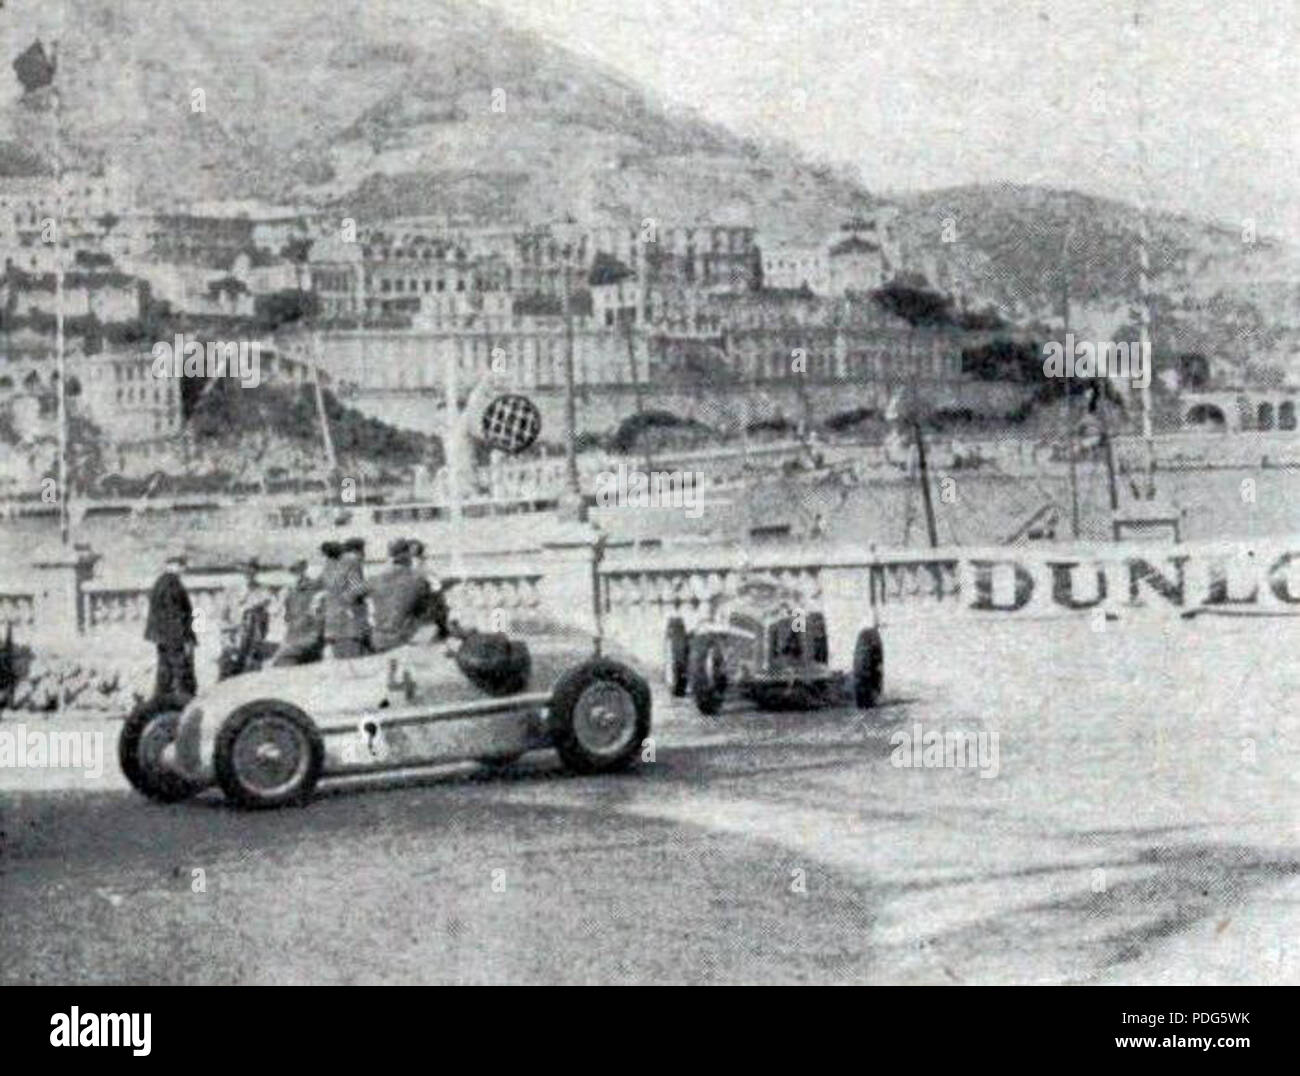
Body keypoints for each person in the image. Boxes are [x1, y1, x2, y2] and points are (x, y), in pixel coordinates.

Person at [369, 538, 444, 653]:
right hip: (407, 637)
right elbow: (433, 605)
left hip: (380, 636)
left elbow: (353, 591)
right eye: (419, 557)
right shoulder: (421, 578)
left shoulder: (377, 578)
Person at [144, 552, 197, 699]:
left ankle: (162, 700)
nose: (184, 569)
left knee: (165, 671)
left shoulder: (161, 582)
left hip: (163, 637)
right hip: (174, 637)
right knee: (179, 671)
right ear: (172, 565)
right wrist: (185, 639)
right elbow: (175, 615)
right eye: (181, 565)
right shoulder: (172, 584)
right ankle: (180, 701)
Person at [271, 557, 324, 666]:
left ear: (304, 569)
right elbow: (287, 617)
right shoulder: (290, 591)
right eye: (293, 570)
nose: (297, 573)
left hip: (308, 638)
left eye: (298, 569)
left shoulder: (314, 587)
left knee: (280, 663)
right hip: (295, 637)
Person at [323, 536, 369, 658]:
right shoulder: (352, 561)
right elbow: (356, 589)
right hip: (350, 625)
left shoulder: (329, 564)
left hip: (333, 625)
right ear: (357, 551)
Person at [409, 538, 450, 641]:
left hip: (428, 590)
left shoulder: (424, 563)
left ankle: (442, 629)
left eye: (415, 550)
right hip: (417, 590)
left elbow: (434, 579)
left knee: (438, 604)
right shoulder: (410, 563)